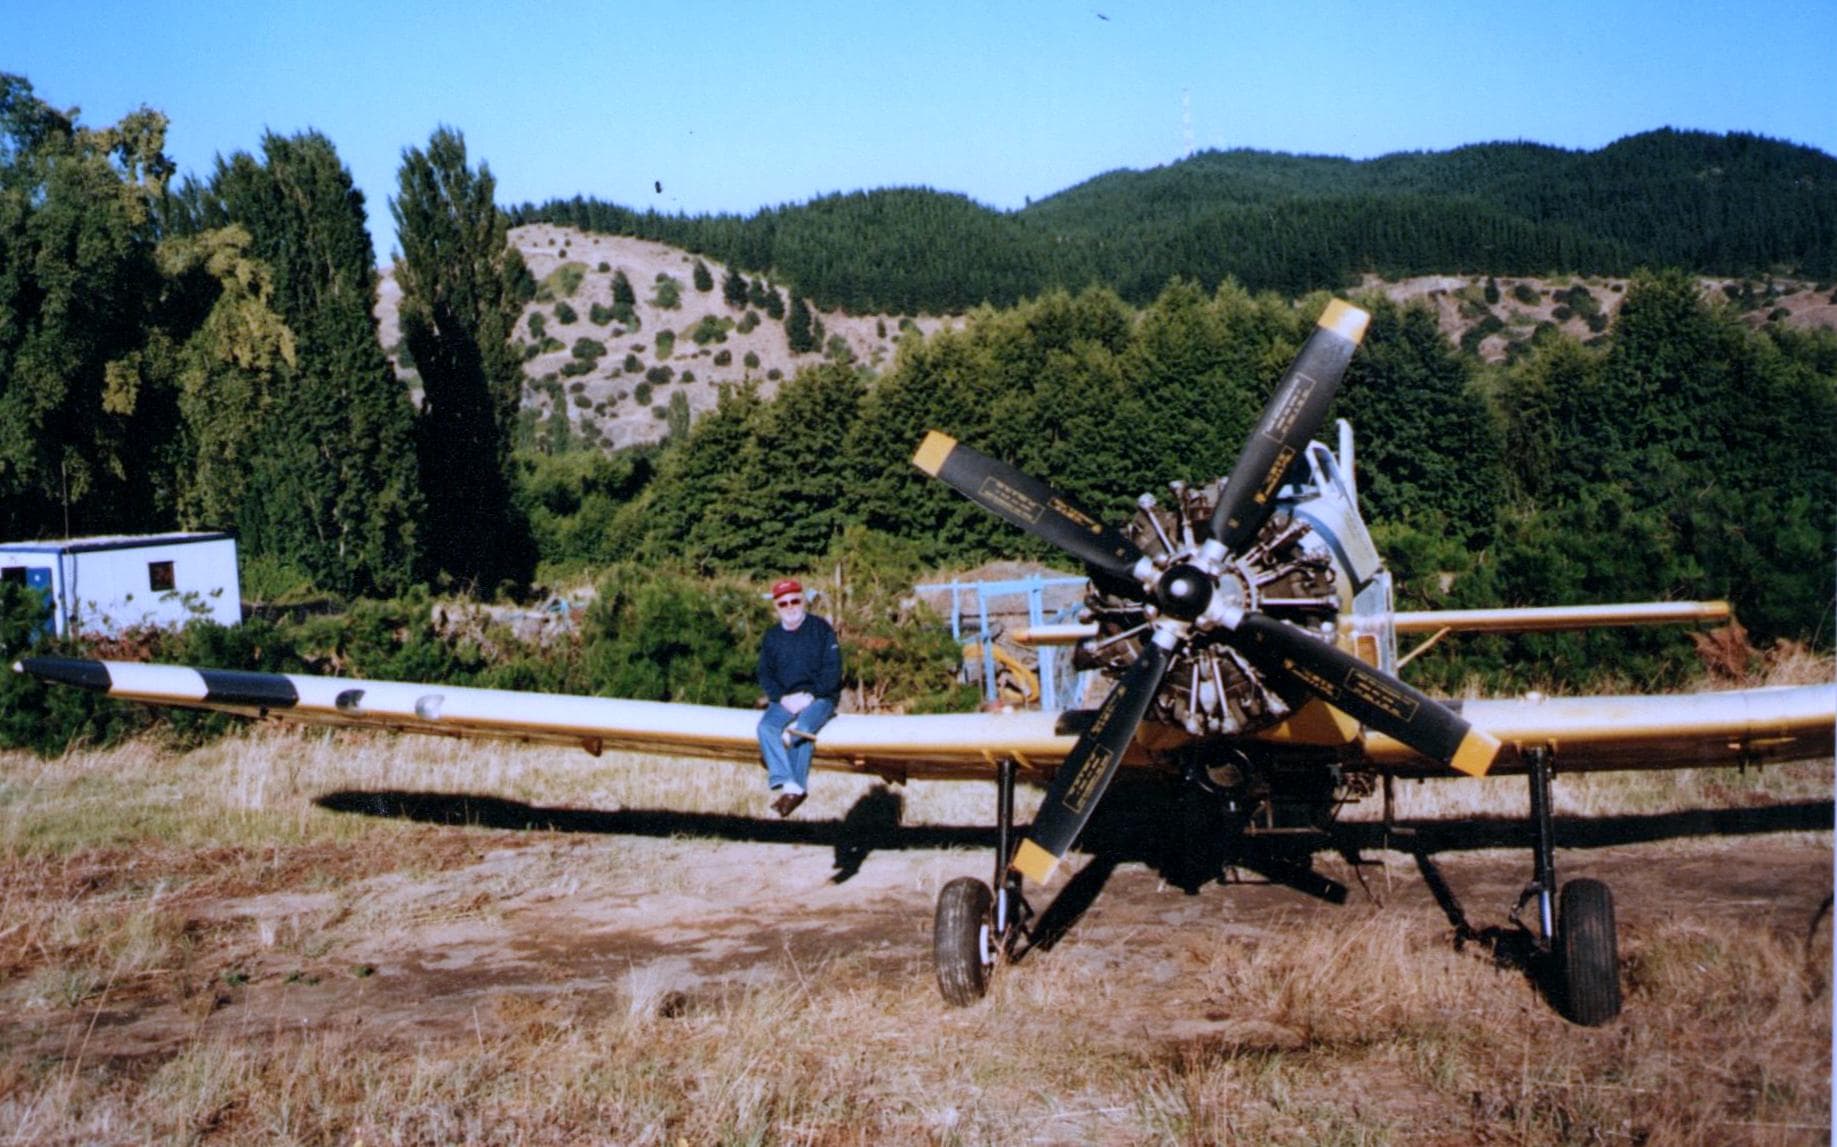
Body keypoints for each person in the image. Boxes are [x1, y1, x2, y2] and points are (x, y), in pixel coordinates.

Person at [756, 578, 841, 817]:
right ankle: (786, 780)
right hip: (786, 699)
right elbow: (765, 673)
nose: (790, 607)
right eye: (784, 603)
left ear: (803, 600)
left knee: (802, 728)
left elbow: (833, 670)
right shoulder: (771, 637)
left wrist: (811, 696)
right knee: (766, 728)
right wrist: (781, 698)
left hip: (820, 697)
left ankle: (795, 791)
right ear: (776, 607)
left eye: (795, 600)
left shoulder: (820, 629)